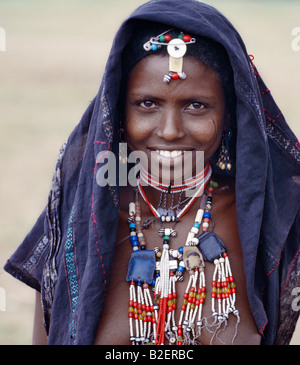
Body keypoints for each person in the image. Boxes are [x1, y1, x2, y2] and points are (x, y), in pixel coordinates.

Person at [4, 0, 300, 345]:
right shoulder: (80, 218)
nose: (171, 131)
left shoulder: (270, 220)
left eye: (196, 105)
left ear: (231, 114)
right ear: (116, 113)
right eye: (147, 104)